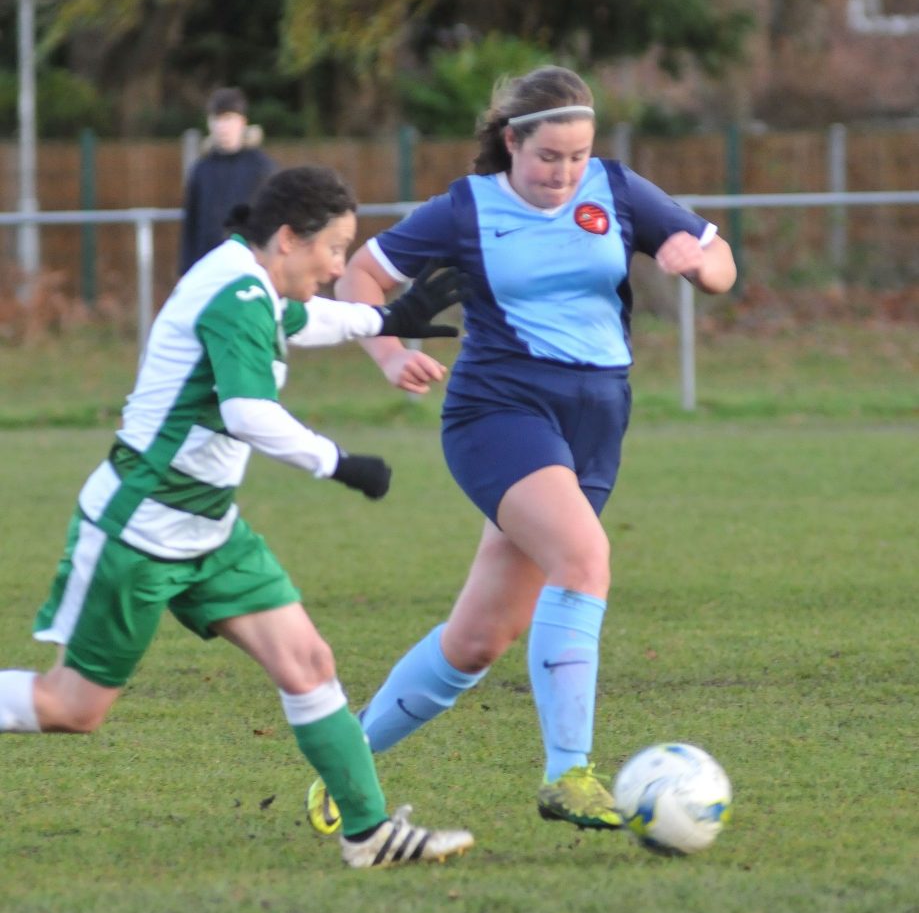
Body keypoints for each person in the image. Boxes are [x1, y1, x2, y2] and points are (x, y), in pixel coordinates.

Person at [0, 165, 473, 870]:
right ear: (288, 238)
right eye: (335, 249)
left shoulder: (248, 277)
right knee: (75, 707)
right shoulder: (234, 291)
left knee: (308, 663)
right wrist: (337, 462)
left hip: (210, 531)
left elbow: (301, 319)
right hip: (139, 529)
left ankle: (368, 833)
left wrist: (386, 318)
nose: (341, 265)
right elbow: (248, 412)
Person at [306, 65, 737, 836]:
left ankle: (345, 767)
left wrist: (698, 266)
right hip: (499, 413)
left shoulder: (617, 190)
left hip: (595, 427)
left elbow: (719, 258)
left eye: (577, 157)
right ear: (511, 141)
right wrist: (386, 353)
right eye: (548, 158)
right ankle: (567, 772)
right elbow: (361, 277)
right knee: (584, 559)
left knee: (476, 641)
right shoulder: (465, 209)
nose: (564, 173)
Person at [179, 86, 277, 275]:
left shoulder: (262, 167)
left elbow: (272, 221)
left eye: (228, 118)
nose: (222, 126)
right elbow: (190, 225)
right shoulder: (201, 169)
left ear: (242, 122)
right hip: (207, 265)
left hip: (249, 267)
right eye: (217, 119)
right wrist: (185, 271)